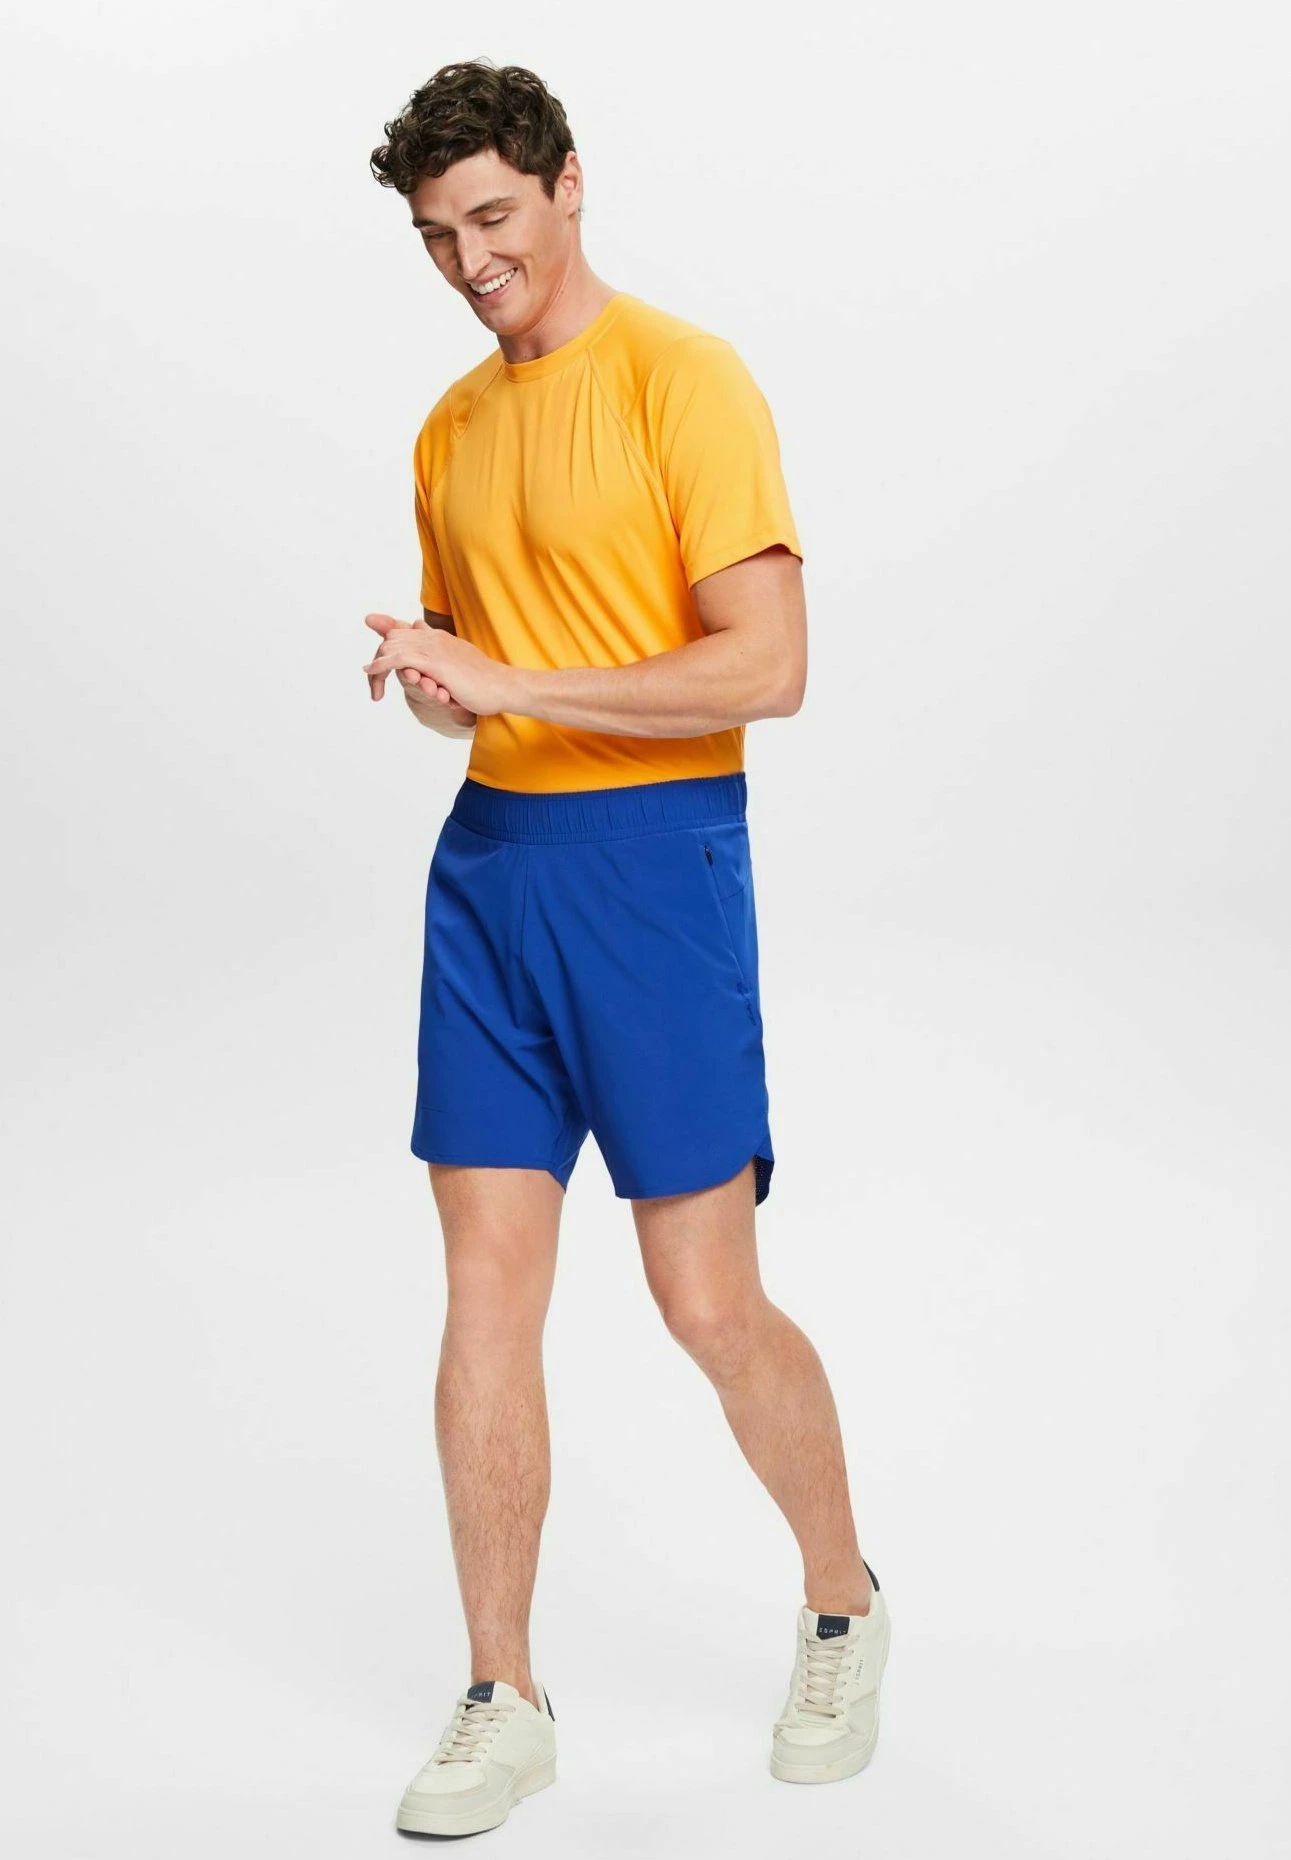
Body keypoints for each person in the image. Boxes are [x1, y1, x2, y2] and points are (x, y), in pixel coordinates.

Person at [365, 57, 890, 1840]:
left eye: (493, 217)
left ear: (568, 185)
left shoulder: (684, 377)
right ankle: (502, 1694)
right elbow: (481, 669)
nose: (470, 262)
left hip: (656, 872)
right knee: (483, 1298)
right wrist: (440, 685)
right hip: (490, 875)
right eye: (438, 236)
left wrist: (518, 680)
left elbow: (767, 666)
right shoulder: (448, 429)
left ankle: (842, 1603)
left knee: (704, 1302)